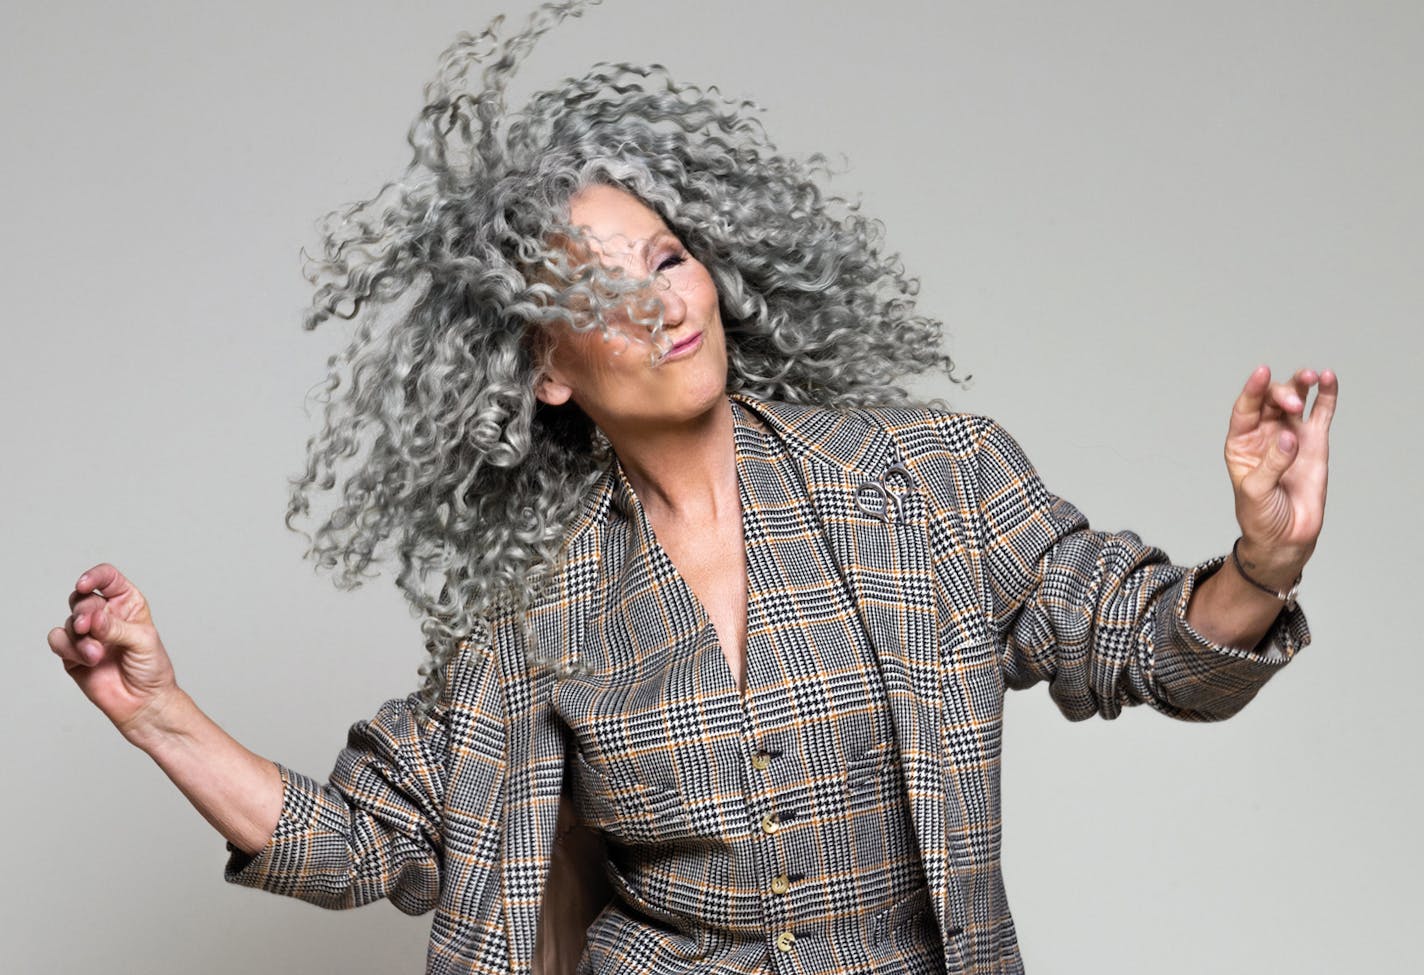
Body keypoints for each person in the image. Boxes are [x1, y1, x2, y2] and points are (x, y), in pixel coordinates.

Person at [46, 2, 1336, 973]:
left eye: (666, 258)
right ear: (545, 370)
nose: (662, 301)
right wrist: (160, 713)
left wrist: (1260, 563)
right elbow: (381, 839)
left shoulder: (923, 483)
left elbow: (1136, 643)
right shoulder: (535, 613)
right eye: (605, 294)